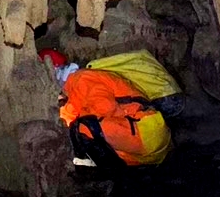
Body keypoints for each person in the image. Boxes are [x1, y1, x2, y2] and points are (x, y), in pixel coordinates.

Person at [39, 49, 175, 169]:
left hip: (145, 130)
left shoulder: (81, 79)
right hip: (151, 138)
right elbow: (72, 112)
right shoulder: (74, 88)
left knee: (84, 128)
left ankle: (102, 171)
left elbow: (105, 109)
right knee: (81, 128)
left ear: (53, 71)